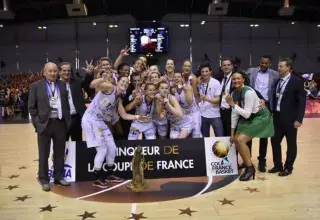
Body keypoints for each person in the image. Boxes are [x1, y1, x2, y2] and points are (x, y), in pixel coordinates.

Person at [81, 75, 151, 188]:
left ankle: (109, 174)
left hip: (100, 121)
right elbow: (93, 84)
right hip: (90, 120)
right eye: (123, 81)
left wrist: (139, 117)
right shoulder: (110, 88)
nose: (125, 83)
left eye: (127, 82)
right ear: (118, 82)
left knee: (112, 148)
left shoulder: (117, 99)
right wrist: (103, 79)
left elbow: (124, 115)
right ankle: (97, 178)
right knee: (102, 149)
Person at [28, 62, 72, 191]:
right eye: (50, 71)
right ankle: (44, 180)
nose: (53, 73)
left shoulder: (63, 85)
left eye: (55, 71)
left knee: (59, 153)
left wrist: (67, 121)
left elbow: (66, 105)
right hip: (44, 124)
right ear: (44, 72)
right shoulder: (35, 86)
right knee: (44, 154)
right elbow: (31, 107)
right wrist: (37, 124)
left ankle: (59, 177)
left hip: (59, 123)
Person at [226, 71, 274, 181]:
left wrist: (232, 104)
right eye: (234, 79)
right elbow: (234, 114)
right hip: (249, 117)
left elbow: (246, 114)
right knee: (236, 140)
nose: (236, 80)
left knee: (241, 140)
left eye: (239, 78)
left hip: (260, 117)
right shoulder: (233, 93)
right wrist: (232, 133)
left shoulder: (249, 93)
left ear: (243, 79)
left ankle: (250, 168)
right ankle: (248, 164)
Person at [269, 58, 306, 176]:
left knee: (291, 143)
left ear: (288, 67)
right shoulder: (277, 81)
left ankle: (288, 167)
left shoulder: (296, 81)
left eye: (281, 66)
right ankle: (277, 165)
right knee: (274, 141)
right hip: (277, 117)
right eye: (278, 66)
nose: (278, 68)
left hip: (290, 119)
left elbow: (302, 101)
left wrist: (299, 119)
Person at [246, 55, 280, 172]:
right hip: (251, 105)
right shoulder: (251, 71)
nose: (263, 65)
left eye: (266, 63)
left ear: (270, 64)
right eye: (262, 63)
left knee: (264, 136)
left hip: (267, 106)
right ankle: (247, 160)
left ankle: (262, 161)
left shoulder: (275, 74)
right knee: (248, 133)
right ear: (259, 62)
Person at [59, 62, 86, 141]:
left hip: (76, 118)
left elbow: (89, 85)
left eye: (68, 70)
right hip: (62, 120)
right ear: (59, 72)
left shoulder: (77, 82)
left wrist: (90, 74)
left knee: (77, 144)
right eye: (64, 70)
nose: (67, 72)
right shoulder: (55, 84)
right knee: (62, 144)